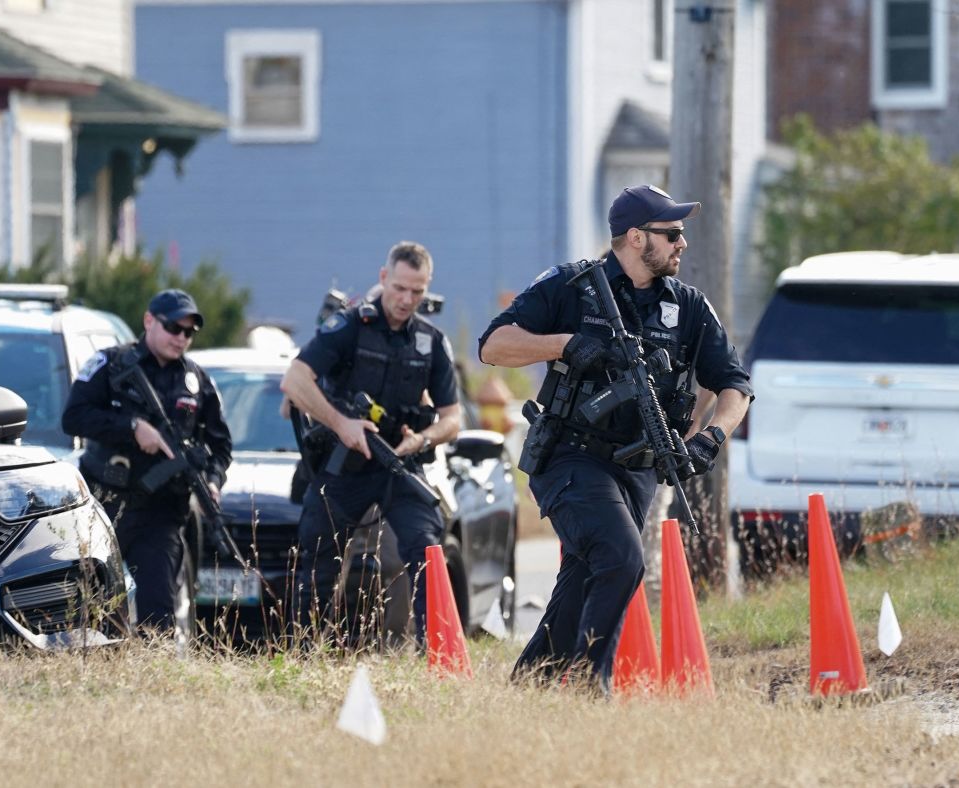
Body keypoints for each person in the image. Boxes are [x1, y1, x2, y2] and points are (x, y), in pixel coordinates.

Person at [478, 184, 753, 692]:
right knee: (623, 558)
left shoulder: (688, 307)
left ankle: (527, 691)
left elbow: (734, 385)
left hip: (638, 469)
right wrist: (565, 344)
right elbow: (493, 346)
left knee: (585, 580)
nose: (681, 244)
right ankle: (590, 687)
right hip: (570, 458)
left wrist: (710, 439)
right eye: (671, 234)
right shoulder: (570, 286)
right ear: (634, 237)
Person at [281, 241, 460, 643]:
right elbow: (294, 381)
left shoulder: (431, 341)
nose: (406, 299)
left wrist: (423, 440)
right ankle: (308, 653)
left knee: (427, 547)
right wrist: (342, 423)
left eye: (417, 291)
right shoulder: (347, 328)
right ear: (384, 278)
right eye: (400, 288)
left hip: (399, 462)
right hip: (345, 463)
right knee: (319, 559)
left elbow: (453, 418)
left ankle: (437, 652)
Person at [62, 289, 232, 632]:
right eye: (174, 328)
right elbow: (73, 418)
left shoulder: (197, 382)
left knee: (159, 615)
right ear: (149, 321)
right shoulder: (110, 365)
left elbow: (220, 446)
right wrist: (131, 427)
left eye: (189, 332)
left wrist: (213, 481)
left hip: (162, 512)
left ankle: (153, 673)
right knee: (92, 607)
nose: (182, 338)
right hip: (105, 503)